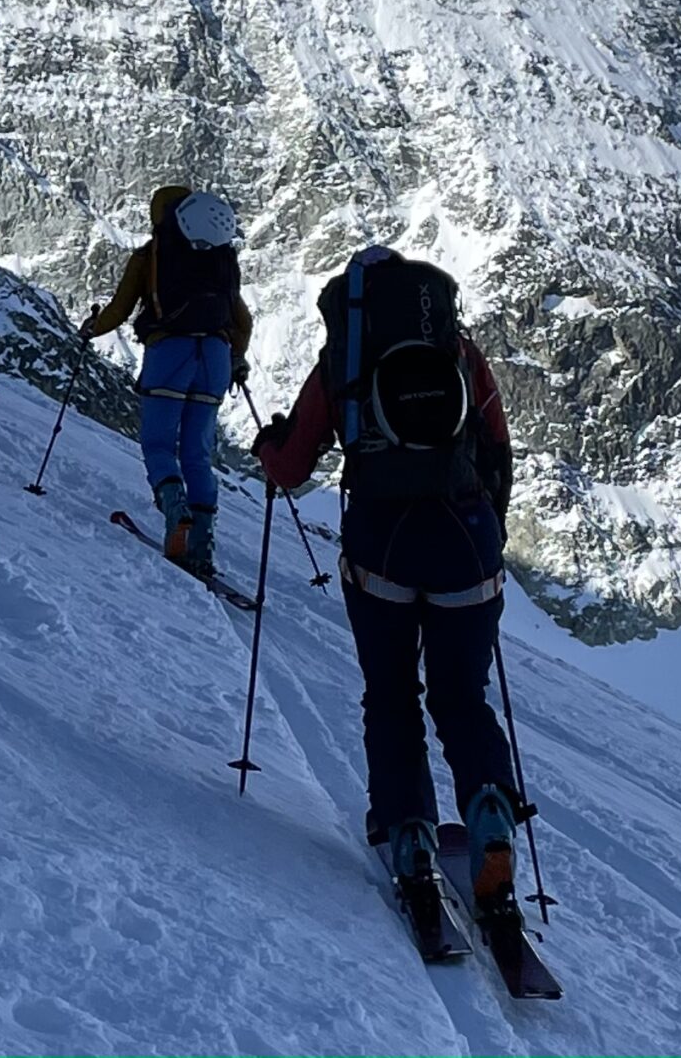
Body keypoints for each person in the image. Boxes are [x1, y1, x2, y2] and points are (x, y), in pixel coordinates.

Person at [253, 245, 523, 914]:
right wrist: (492, 533)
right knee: (464, 700)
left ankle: (410, 836)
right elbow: (496, 444)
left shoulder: (344, 359)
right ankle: (489, 812)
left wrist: (268, 446)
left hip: (382, 544)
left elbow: (290, 468)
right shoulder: (458, 351)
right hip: (467, 539)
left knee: (392, 695)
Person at [76, 187, 253, 579]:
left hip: (169, 355)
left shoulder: (150, 255)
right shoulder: (223, 257)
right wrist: (236, 358)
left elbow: (119, 310)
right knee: (197, 454)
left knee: (158, 444)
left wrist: (92, 327)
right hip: (216, 360)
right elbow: (242, 321)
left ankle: (176, 512)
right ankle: (202, 543)